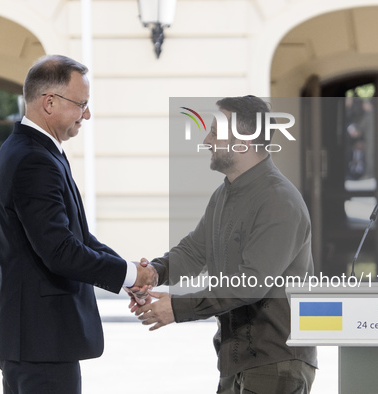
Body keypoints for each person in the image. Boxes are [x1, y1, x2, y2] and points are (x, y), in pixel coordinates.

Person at [0, 55, 157, 394]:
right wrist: (132, 274)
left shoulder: (34, 150)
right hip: (40, 342)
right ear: (49, 102)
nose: (87, 114)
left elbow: (75, 235)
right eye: (82, 104)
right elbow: (60, 251)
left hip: (35, 340)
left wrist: (125, 276)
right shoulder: (34, 159)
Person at [130, 96, 317, 393]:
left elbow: (251, 284)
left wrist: (177, 308)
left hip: (276, 363)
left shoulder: (279, 201)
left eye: (215, 133)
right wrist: (152, 273)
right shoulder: (223, 195)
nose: (206, 140)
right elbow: (194, 251)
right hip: (235, 360)